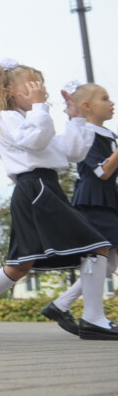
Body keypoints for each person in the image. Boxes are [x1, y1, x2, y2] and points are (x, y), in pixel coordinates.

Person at [0, 64, 114, 339]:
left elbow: (73, 153)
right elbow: (35, 142)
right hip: (35, 188)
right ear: (9, 90)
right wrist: (41, 107)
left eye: (40, 83)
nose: (39, 88)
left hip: (44, 187)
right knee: (97, 247)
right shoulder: (8, 117)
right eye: (31, 84)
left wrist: (76, 118)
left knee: (20, 264)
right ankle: (93, 318)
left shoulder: (37, 118)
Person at [43, 82, 118, 333]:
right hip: (93, 199)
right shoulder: (87, 132)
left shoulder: (109, 135)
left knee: (107, 263)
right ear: (87, 106)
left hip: (108, 200)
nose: (111, 102)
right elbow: (100, 172)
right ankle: (88, 315)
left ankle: (61, 304)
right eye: (105, 98)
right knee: (99, 257)